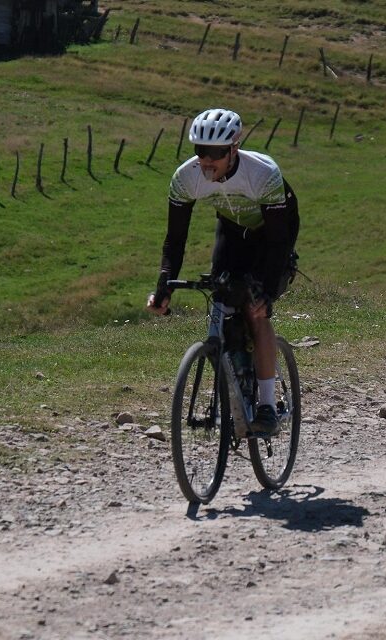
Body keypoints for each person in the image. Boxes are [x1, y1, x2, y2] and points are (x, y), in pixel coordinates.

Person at [146, 107, 299, 435]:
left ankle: (268, 406)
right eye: (200, 151)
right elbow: (175, 240)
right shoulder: (185, 178)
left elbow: (278, 241)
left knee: (256, 310)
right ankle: (233, 377)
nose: (206, 161)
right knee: (220, 293)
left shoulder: (262, 174)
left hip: (272, 239)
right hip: (231, 233)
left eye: (215, 153)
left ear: (234, 148)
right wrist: (164, 287)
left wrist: (268, 292)